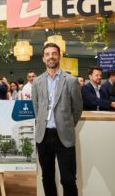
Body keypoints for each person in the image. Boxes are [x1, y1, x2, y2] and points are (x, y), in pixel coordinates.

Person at [32, 43, 83, 196]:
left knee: (68, 179)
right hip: (43, 136)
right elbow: (36, 107)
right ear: (43, 59)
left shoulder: (71, 81)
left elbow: (77, 109)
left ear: (59, 56)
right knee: (46, 177)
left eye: (54, 53)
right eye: (47, 54)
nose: (51, 56)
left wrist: (66, 125)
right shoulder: (37, 81)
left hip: (64, 137)